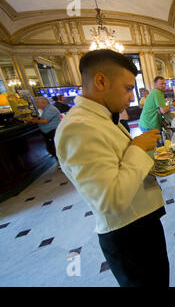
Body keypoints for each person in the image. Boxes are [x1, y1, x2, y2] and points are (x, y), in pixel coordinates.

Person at [54, 49, 168, 287]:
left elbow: (119, 164)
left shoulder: (101, 118)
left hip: (142, 221)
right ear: (101, 81)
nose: (131, 97)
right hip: (128, 234)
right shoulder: (78, 127)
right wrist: (137, 147)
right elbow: (110, 200)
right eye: (128, 88)